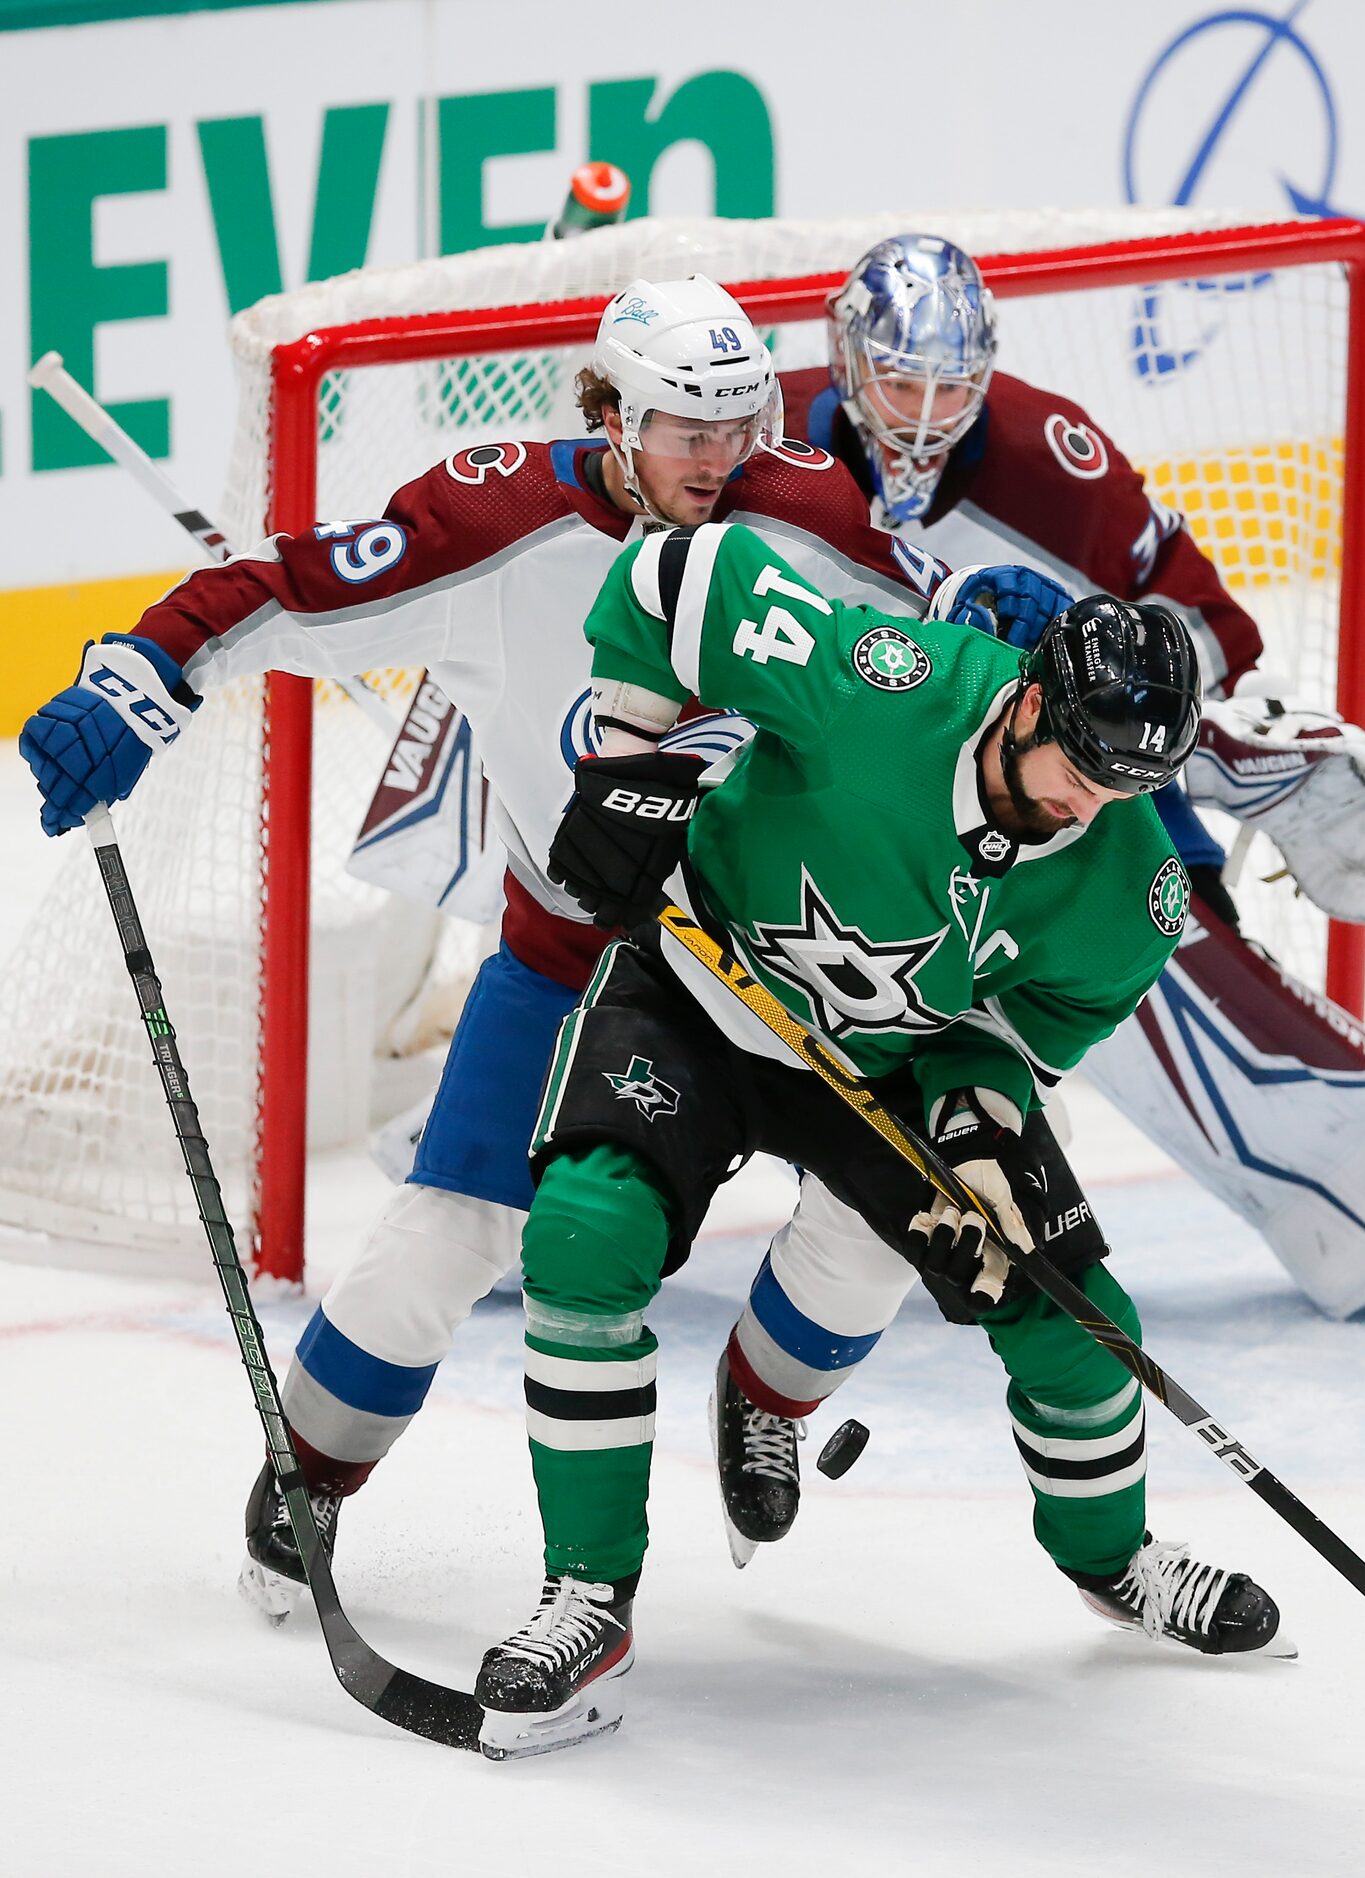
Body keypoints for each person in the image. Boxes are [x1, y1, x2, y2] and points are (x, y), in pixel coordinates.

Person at [17, 273, 958, 1618]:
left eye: (736, 424)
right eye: (686, 429)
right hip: (583, 966)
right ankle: (310, 1473)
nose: (718, 459)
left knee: (896, 1212)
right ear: (609, 413)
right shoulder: (492, 526)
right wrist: (146, 674)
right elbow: (282, 584)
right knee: (443, 1239)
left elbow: (943, 658)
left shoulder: (804, 514)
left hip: (801, 961)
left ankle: (761, 1396)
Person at [473, 520, 1287, 1761]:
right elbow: (673, 576)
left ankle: (1111, 1559)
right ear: (1024, 701)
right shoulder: (877, 680)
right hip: (702, 982)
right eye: (1076, 765)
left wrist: (978, 1124)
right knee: (588, 1233)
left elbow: (1023, 1032)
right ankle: (591, 1599)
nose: (1088, 804)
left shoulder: (1133, 890)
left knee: (1074, 1313)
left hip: (893, 1065)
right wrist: (627, 764)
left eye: (1124, 787)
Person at [773, 232, 1365, 1323]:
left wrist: (1124, 690)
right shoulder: (759, 451)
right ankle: (507, 1170)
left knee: (1188, 988)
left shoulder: (1052, 463)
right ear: (847, 358)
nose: (925, 411)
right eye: (901, 377)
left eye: (955, 384)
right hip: (846, 821)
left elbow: (1209, 632)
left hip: (1060, 810)